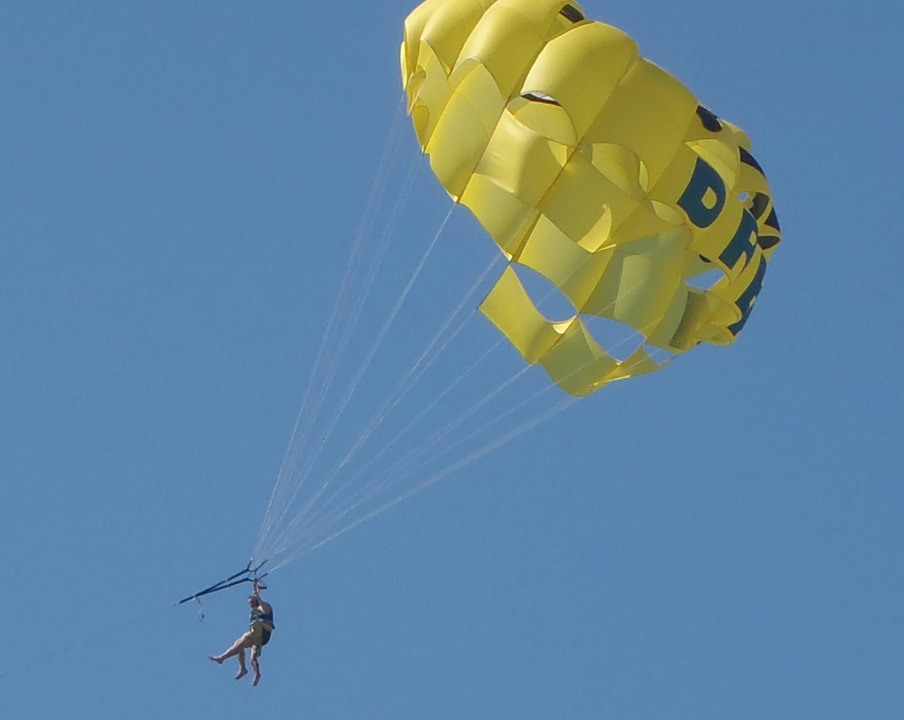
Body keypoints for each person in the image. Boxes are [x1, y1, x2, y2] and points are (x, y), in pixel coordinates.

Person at [209, 584, 275, 686]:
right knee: (248, 654)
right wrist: (256, 588)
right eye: (250, 604)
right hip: (259, 638)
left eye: (251, 603)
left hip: (262, 631)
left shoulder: (264, 607)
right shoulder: (255, 610)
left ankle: (222, 658)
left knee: (241, 641)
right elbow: (255, 595)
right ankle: (248, 671)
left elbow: (263, 607)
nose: (251, 606)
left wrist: (257, 595)